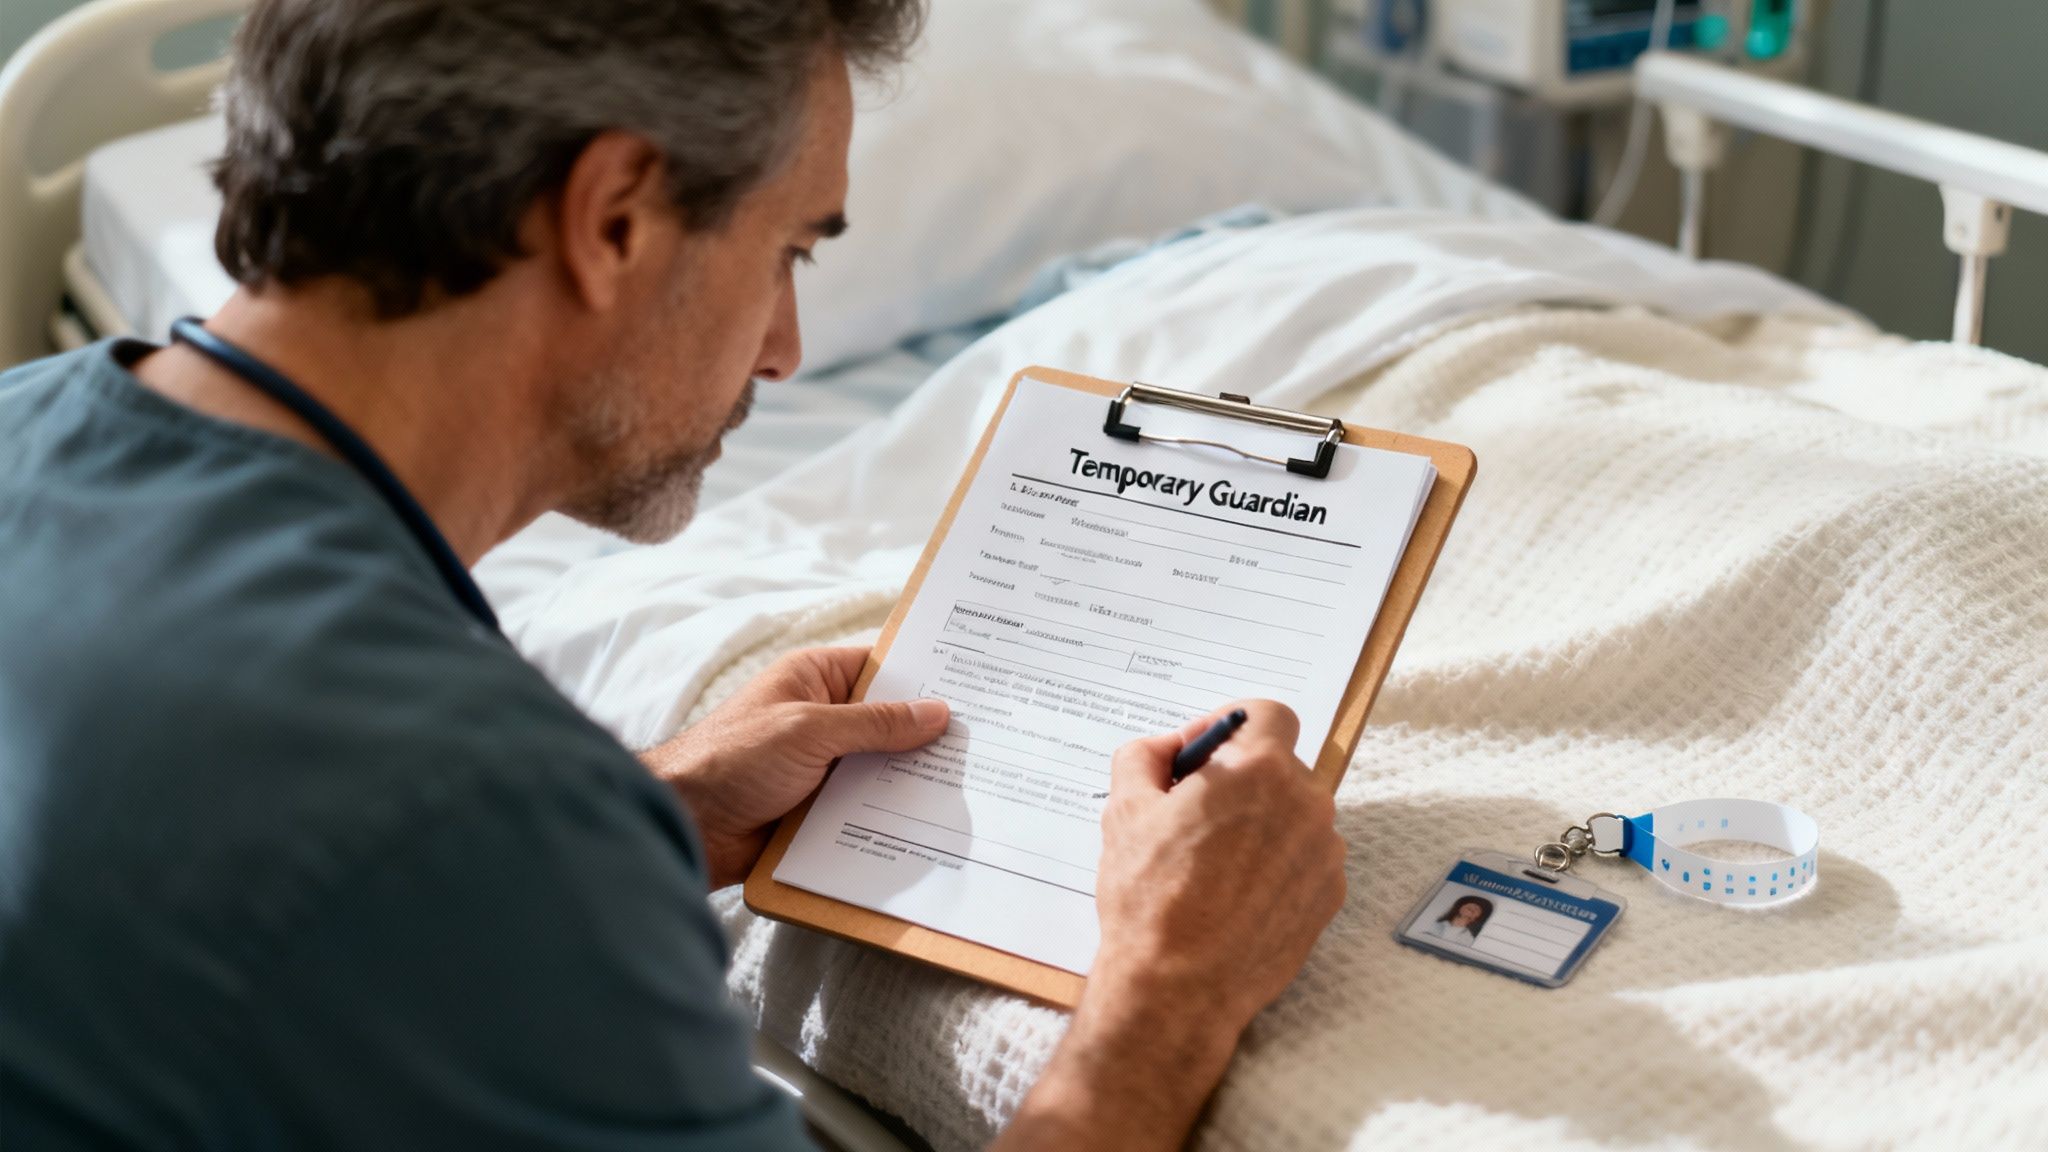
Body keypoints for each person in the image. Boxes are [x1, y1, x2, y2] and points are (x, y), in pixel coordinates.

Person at [0, 2, 1347, 1148]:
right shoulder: (452, 807)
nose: (787, 349)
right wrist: (1170, 991)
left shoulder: (32, 424)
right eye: (790, 250)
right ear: (616, 218)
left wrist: (655, 809)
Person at [1429, 895, 1494, 946]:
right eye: (1469, 906)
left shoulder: (1468, 938)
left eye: (1477, 909)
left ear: (1476, 918)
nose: (1472, 908)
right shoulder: (1437, 924)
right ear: (1460, 908)